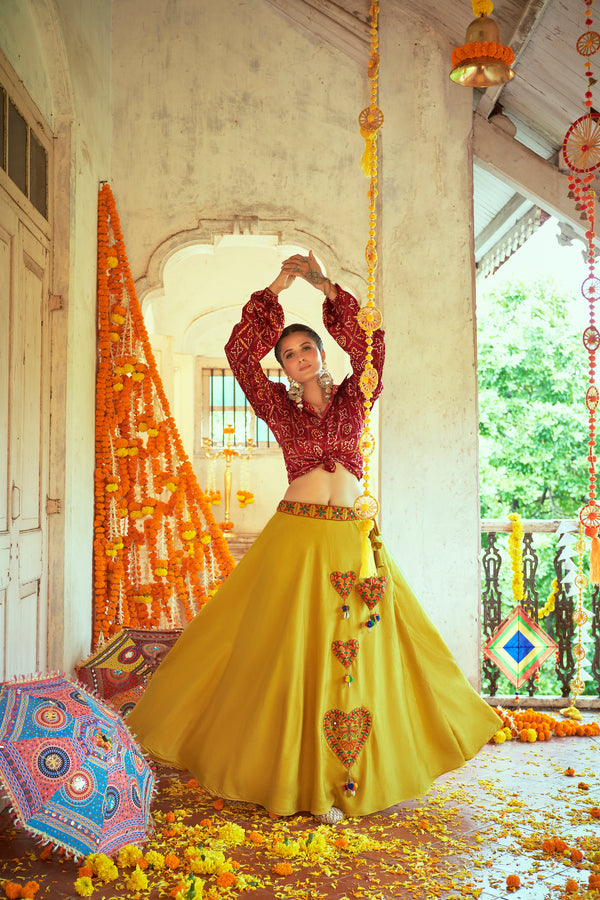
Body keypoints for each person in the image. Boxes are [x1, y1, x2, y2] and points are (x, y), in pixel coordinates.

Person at [127, 251, 499, 824]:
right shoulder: (275, 404)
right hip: (296, 540)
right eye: (287, 353)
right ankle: (296, 777)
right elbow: (237, 356)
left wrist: (324, 287)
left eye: (305, 349)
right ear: (281, 365)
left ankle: (347, 779)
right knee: (289, 654)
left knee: (357, 656)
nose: (297, 358)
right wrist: (278, 285)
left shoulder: (356, 394)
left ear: (322, 352)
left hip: (351, 539)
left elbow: (374, 346)